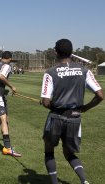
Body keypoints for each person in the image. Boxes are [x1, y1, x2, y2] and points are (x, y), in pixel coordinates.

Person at [40, 39, 103, 184]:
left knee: (49, 151)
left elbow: (45, 102)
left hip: (56, 117)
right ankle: (84, 181)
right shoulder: (84, 70)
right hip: (75, 118)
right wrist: (85, 108)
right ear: (71, 52)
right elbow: (100, 95)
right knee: (69, 153)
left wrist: (50, 105)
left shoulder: (50, 72)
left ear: (56, 52)